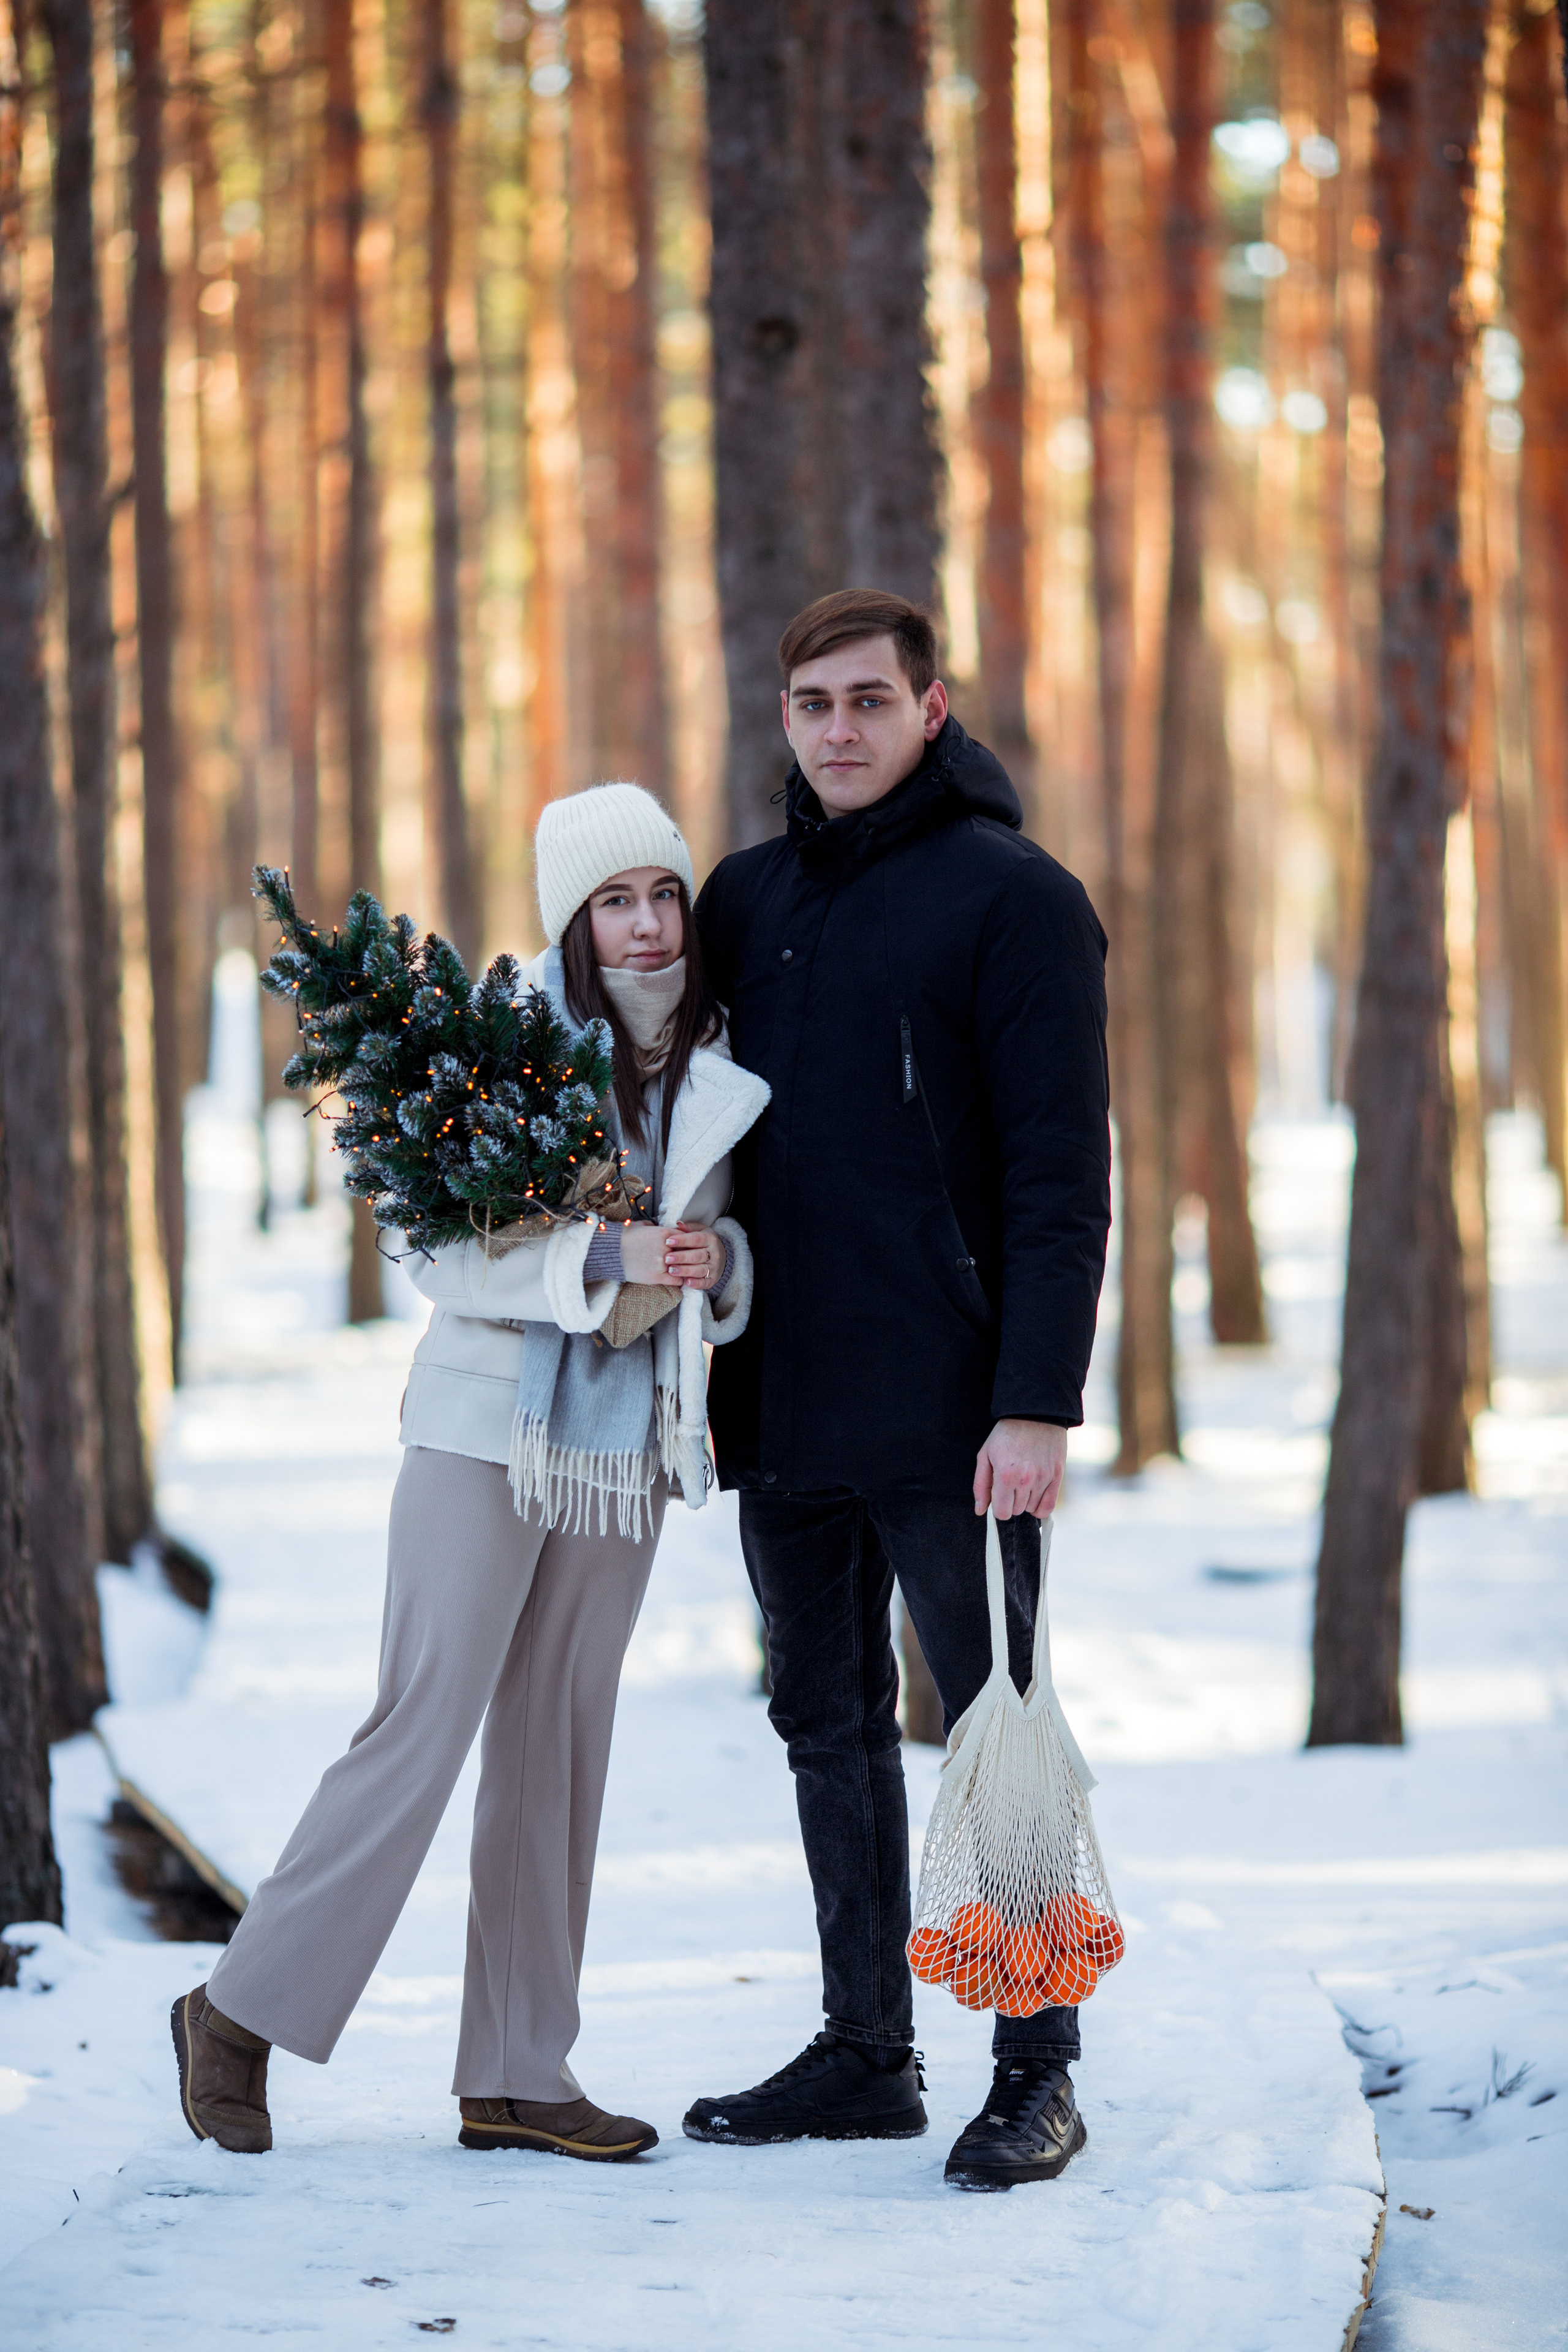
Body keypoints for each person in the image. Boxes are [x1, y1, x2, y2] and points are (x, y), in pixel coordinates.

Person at [173, 783, 769, 2163]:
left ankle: (516, 2069)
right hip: (481, 1428)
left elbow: (738, 1249)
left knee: (559, 1744)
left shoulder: (721, 1066)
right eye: (611, 902)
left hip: (623, 1455)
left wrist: (714, 1268)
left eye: (660, 894)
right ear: (573, 921)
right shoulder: (498, 1048)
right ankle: (238, 2011)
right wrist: (592, 1261)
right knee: (421, 1726)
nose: (642, 925)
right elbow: (433, 1254)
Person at [685, 589, 1111, 2190]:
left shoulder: (1017, 899)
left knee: (998, 1726)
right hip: (783, 1399)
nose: (841, 730)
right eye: (814, 706)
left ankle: (1037, 2067)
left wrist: (1037, 1403)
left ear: (934, 710)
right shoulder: (746, 898)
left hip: (956, 1411)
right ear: (784, 720)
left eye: (871, 701)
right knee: (824, 1724)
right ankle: (868, 2049)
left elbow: (1066, 1175)